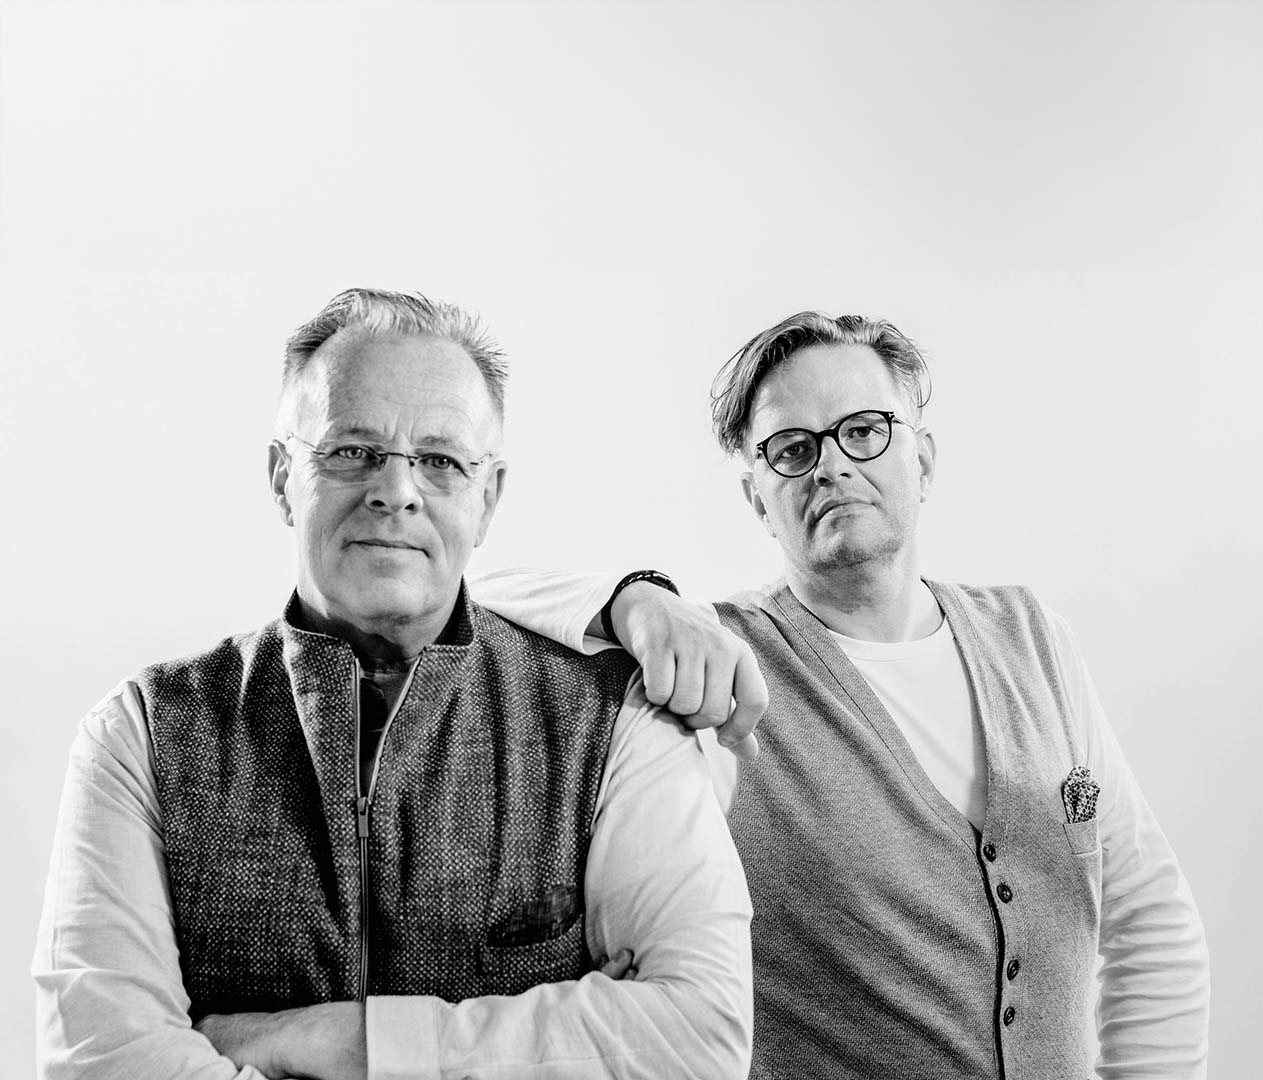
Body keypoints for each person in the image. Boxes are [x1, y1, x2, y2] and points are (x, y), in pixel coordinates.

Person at [32, 288, 753, 1080]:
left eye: (440, 461)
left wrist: (345, 1044)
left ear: (487, 499)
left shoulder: (615, 720)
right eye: (352, 450)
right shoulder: (142, 732)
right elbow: (105, 1057)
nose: (396, 491)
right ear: (281, 476)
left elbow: (696, 1037)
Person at [477, 312, 1211, 1079]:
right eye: (792, 450)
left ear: (922, 461)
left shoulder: (1032, 639)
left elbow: (1147, 914)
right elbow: (468, 593)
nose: (829, 466)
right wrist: (630, 598)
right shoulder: (720, 671)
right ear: (758, 500)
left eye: (862, 431)